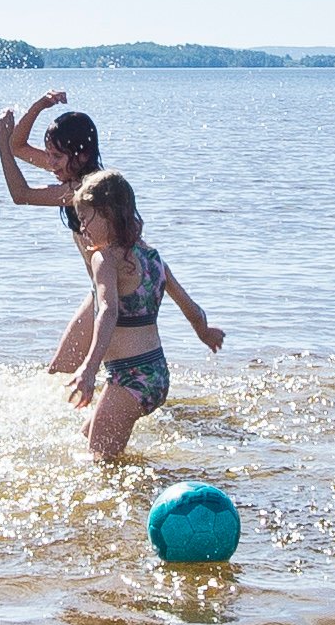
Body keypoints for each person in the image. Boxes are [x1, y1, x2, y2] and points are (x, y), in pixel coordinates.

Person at [56, 170, 221, 462]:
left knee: (99, 465)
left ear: (109, 214)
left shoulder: (104, 258)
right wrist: (206, 333)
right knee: (87, 437)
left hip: (129, 377)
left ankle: (146, 501)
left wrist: (89, 368)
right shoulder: (153, 258)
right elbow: (192, 308)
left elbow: (107, 311)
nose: (82, 228)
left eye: (86, 218)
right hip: (156, 376)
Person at [0, 91, 109, 371]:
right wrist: (40, 105)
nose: (50, 163)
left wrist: (0, 145)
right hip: (101, 290)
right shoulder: (73, 173)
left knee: (91, 373)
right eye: (49, 155)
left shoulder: (83, 190)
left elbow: (21, 194)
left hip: (117, 292)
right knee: (61, 371)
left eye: (56, 156)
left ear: (81, 156)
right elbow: (18, 147)